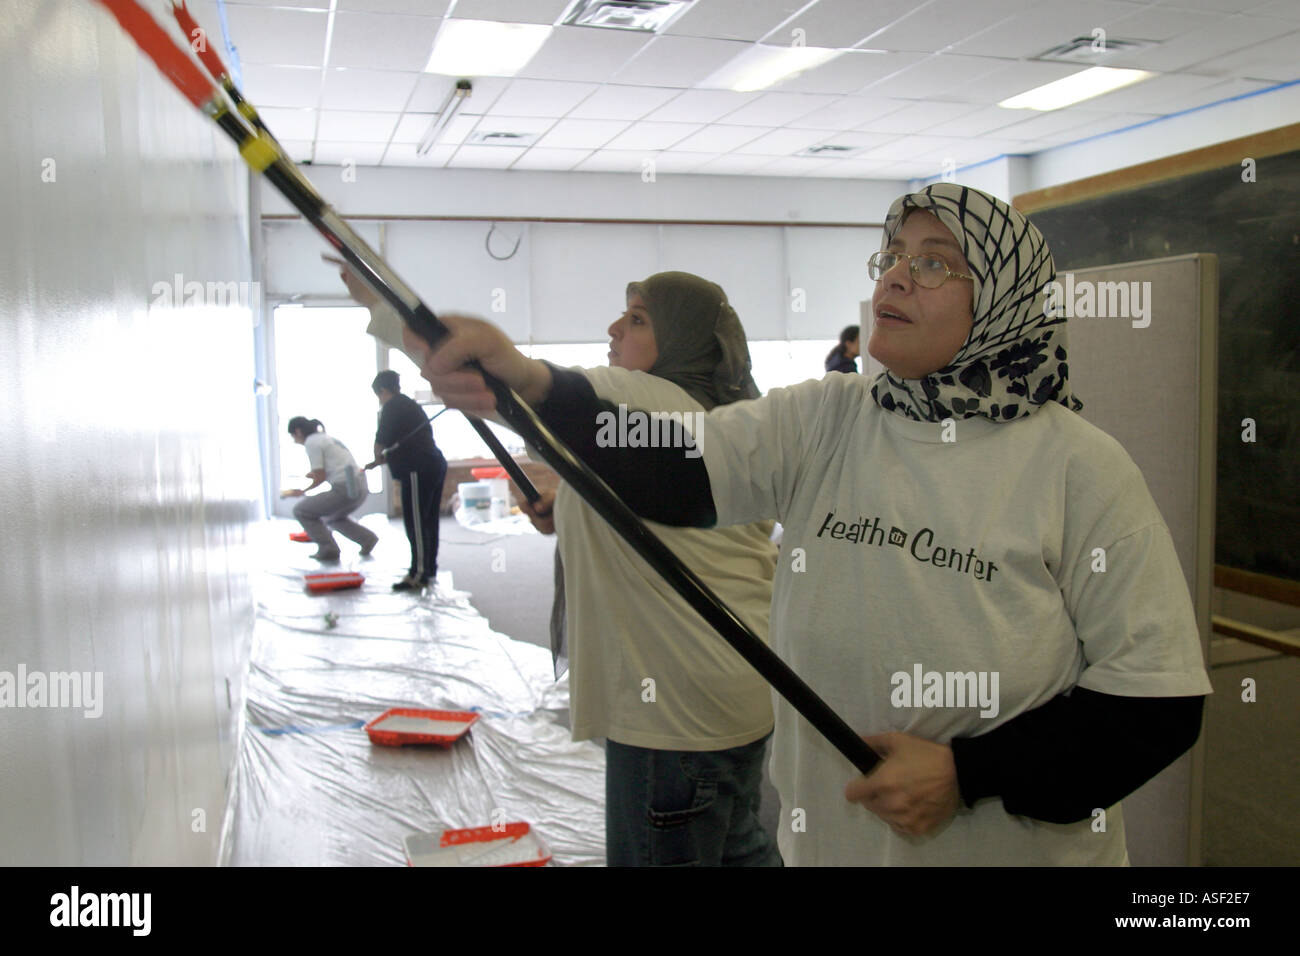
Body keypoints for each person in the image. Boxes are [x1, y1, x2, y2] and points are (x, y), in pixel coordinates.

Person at [404, 183, 1212, 866]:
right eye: (891, 255)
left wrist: (968, 773)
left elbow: (1155, 704)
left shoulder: (1080, 465)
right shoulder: (832, 414)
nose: (896, 277)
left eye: (933, 263)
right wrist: (535, 383)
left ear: (1000, 297)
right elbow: (677, 467)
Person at [366, 370, 447, 591]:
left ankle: (419, 575)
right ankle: (427, 569)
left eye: (378, 395)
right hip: (432, 463)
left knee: (417, 523)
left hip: (417, 469)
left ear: (383, 390)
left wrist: (377, 457)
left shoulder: (391, 406)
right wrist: (384, 458)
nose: (380, 400)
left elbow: (380, 442)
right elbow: (401, 441)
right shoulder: (408, 404)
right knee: (428, 521)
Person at [282, 417, 378, 562]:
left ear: (298, 431)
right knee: (332, 518)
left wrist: (302, 490)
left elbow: (320, 476)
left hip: (346, 487)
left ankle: (328, 549)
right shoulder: (324, 438)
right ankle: (367, 539)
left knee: (301, 510)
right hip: (360, 485)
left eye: (292, 436)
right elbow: (327, 471)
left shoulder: (311, 442)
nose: (294, 440)